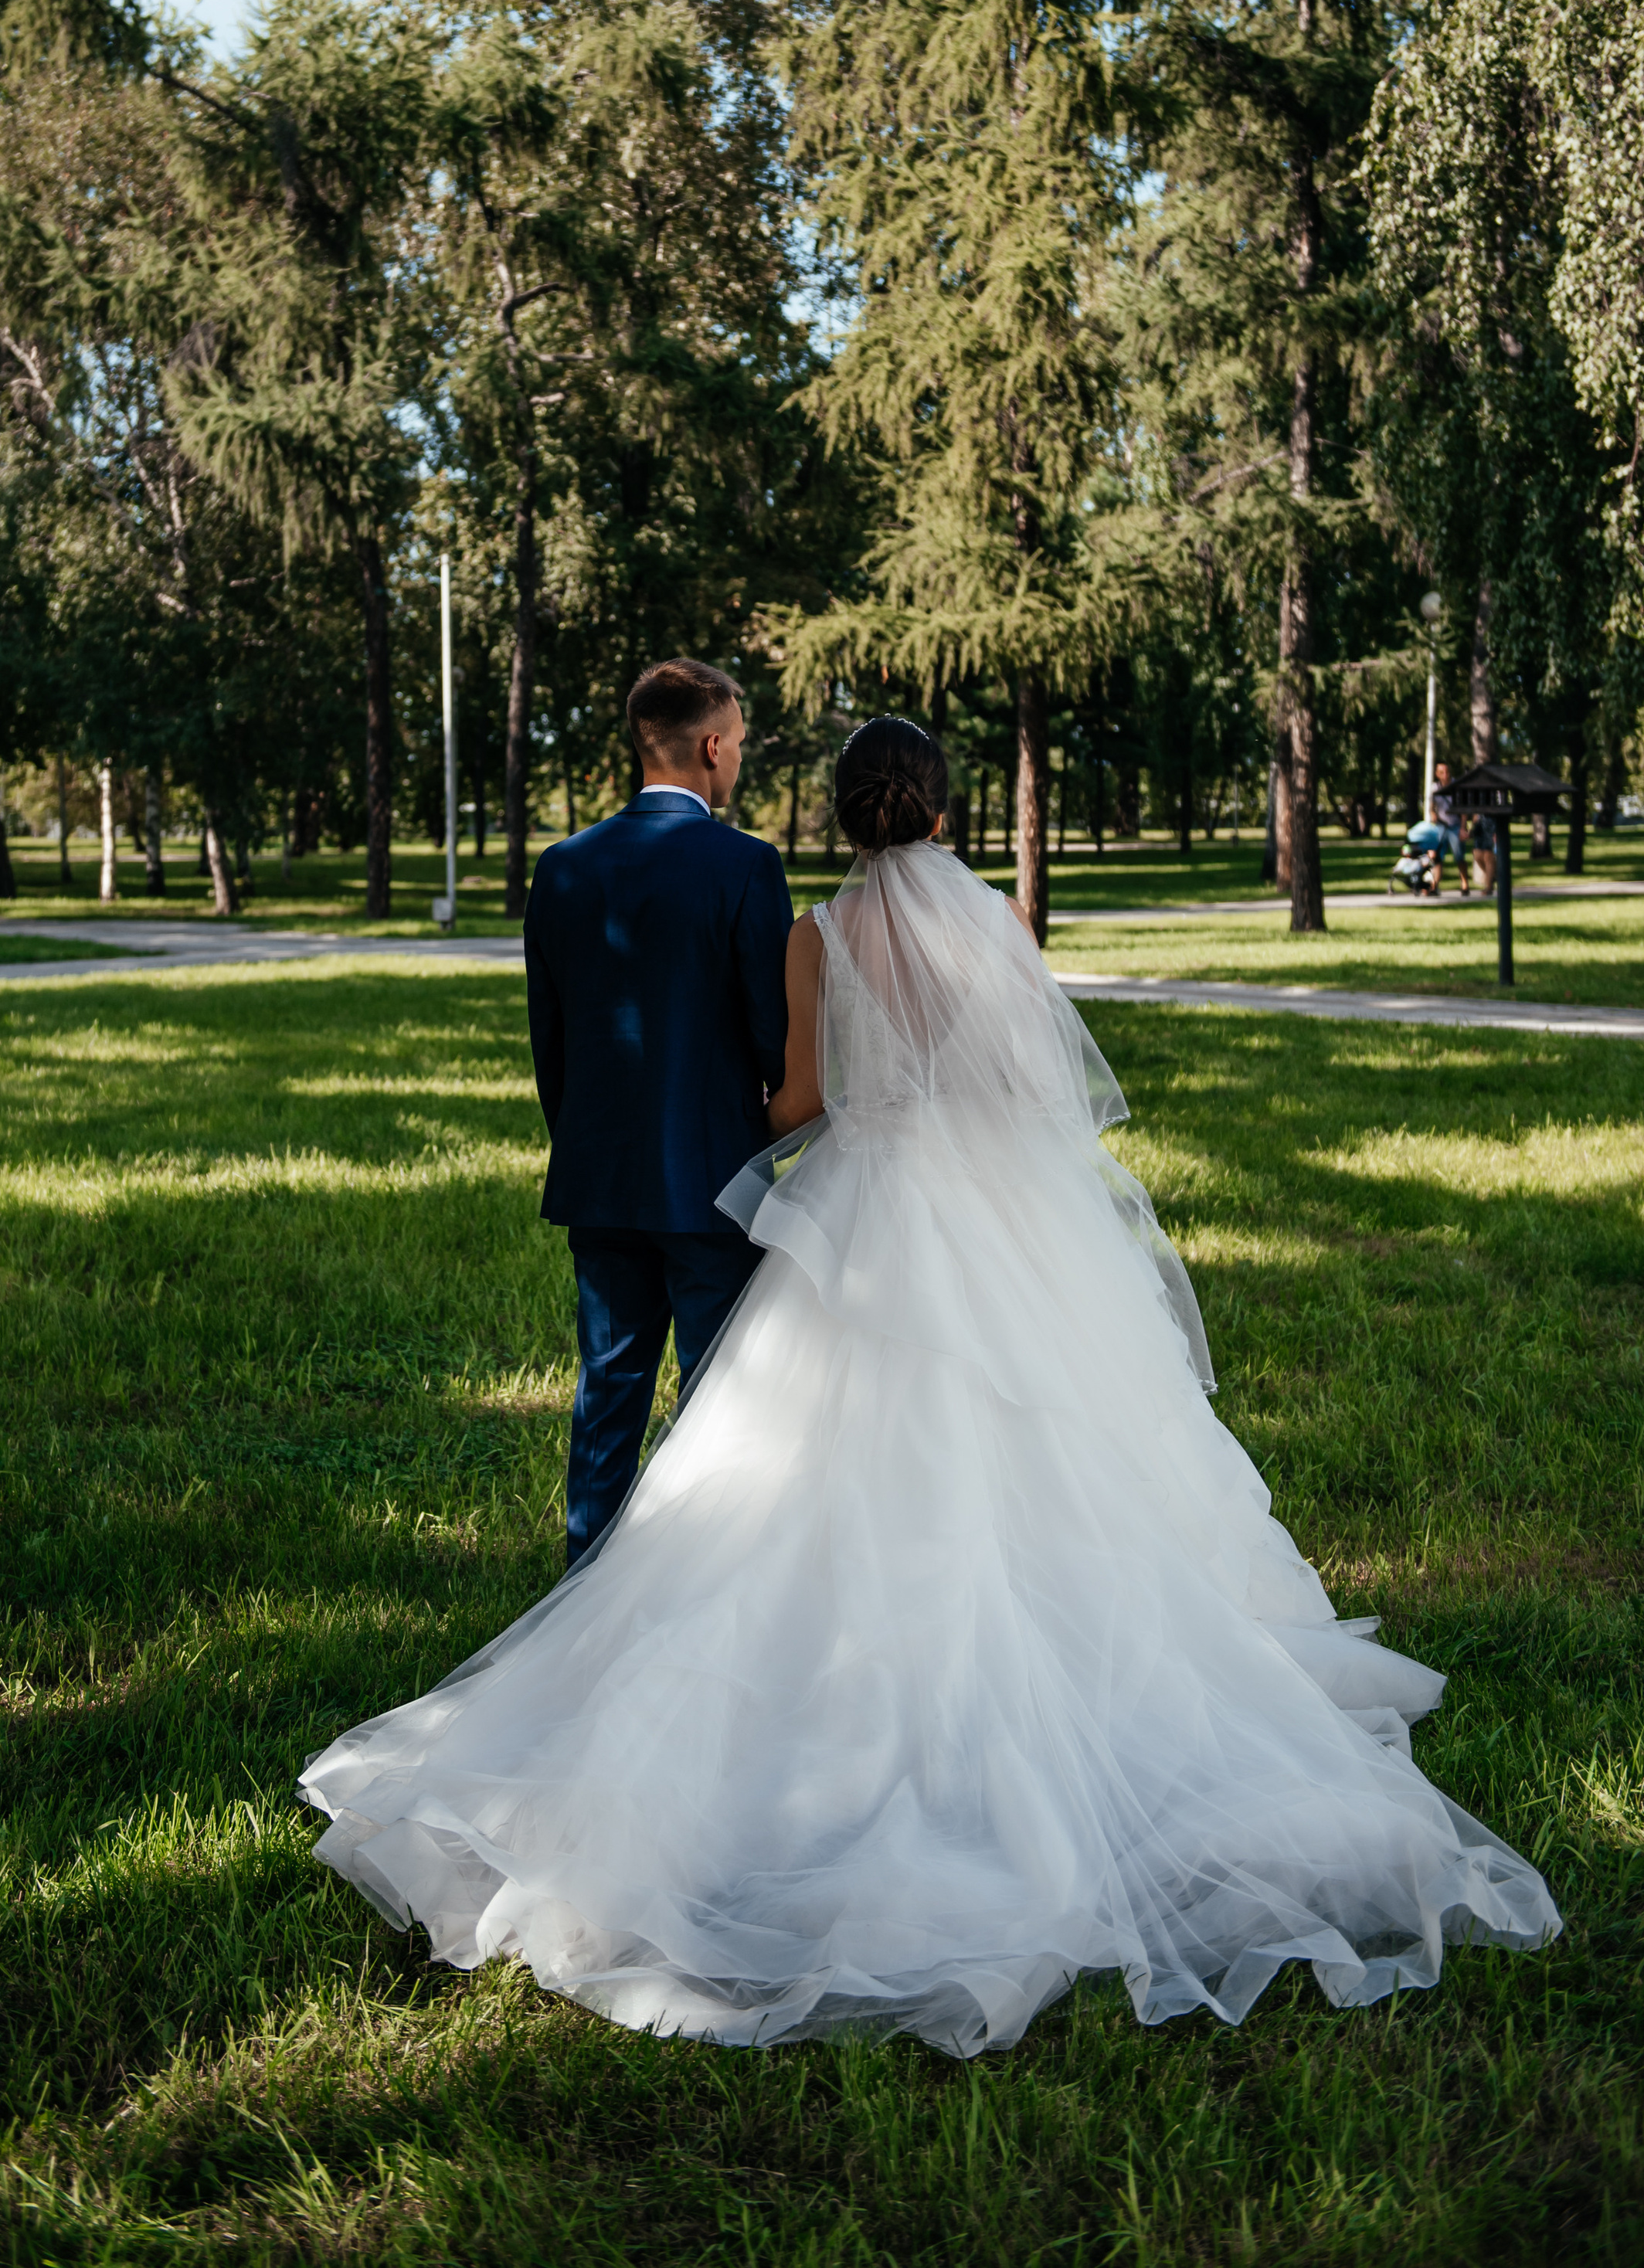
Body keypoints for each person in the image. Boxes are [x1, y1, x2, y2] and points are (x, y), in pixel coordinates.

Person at [297, 716, 1559, 2055]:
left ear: (845, 817)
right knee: (1067, 1437)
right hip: (1007, 1220)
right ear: (946, 813)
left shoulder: (818, 934)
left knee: (792, 1456)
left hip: (874, 1209)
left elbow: (798, 1102)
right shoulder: (997, 924)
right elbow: (1035, 1082)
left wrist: (785, 1116)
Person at [519, 657, 793, 1563]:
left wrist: (587, 1145)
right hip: (713, 1181)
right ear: (711, 747)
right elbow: (772, 1036)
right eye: (739, 741)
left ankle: (583, 1578)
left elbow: (552, 1042)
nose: (740, 756)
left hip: (599, 1174)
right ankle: (698, 1576)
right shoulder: (746, 865)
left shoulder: (563, 867)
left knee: (607, 1388)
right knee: (717, 1397)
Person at [1430, 761, 1470, 895]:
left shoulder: (1457, 786)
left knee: (1459, 856)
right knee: (1438, 857)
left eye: (1447, 772)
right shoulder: (1434, 788)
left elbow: (1464, 810)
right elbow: (1432, 807)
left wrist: (1463, 828)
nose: (1445, 775)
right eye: (1442, 772)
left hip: (1455, 825)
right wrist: (1433, 815)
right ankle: (1434, 885)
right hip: (1441, 826)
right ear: (1437, 774)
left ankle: (1464, 883)